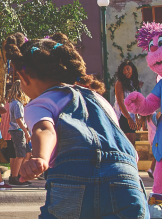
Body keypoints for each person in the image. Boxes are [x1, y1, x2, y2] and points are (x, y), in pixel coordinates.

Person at [12, 33, 148, 218]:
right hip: (126, 178)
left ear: (24, 77)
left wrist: (40, 157)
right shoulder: (99, 99)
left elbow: (45, 129)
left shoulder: (41, 102)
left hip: (75, 178)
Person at [5, 80, 33, 186]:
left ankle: (19, 175)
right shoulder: (17, 103)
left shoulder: (14, 102)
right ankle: (14, 177)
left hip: (17, 130)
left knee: (25, 153)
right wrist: (26, 131)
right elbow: (18, 119)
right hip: (18, 130)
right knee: (20, 155)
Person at [114, 61, 143, 146]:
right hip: (123, 116)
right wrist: (128, 118)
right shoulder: (119, 83)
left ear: (132, 69)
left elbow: (136, 103)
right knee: (127, 145)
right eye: (123, 70)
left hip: (132, 116)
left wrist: (137, 118)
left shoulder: (134, 84)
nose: (126, 71)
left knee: (132, 144)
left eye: (128, 69)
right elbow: (120, 102)